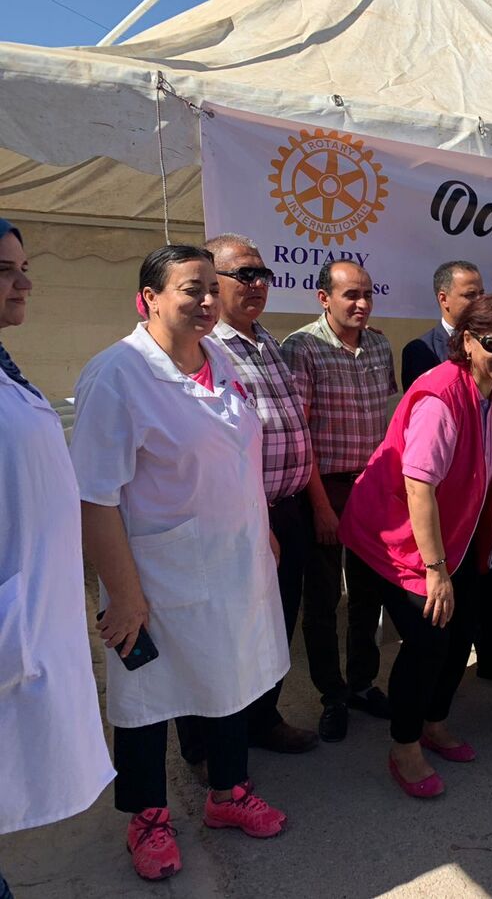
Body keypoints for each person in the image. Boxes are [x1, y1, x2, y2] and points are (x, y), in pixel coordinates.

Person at [72, 246, 289, 881]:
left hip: (233, 560)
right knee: (145, 698)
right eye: (192, 289)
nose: (208, 301)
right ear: (150, 298)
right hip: (155, 573)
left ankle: (228, 793)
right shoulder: (117, 374)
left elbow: (236, 458)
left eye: (212, 289)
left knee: (229, 678)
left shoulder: (219, 357)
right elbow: (94, 497)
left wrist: (263, 530)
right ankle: (147, 818)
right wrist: (125, 595)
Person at [339, 295, 492, 797]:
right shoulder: (440, 397)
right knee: (428, 640)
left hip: (453, 535)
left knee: (462, 628)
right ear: (467, 341)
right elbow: (419, 486)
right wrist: (435, 570)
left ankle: (434, 721)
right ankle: (404, 746)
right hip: (395, 536)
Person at [0, 218, 114, 895]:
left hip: (28, 625)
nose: (24, 284)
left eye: (24, 268)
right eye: (4, 271)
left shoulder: (7, 371)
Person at [202, 233, 317, 753]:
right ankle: (209, 745)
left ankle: (263, 719)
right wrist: (257, 520)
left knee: (276, 622)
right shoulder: (206, 347)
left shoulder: (267, 341)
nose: (256, 284)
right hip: (243, 514)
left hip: (288, 508)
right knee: (230, 631)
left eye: (262, 275)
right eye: (243, 274)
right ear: (212, 283)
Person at [400, 260, 492, 688]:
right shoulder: (430, 368)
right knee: (437, 629)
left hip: (490, 495)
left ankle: (488, 660)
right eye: (470, 294)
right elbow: (422, 478)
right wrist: (436, 568)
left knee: (489, 586)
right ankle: (420, 716)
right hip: (439, 511)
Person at [281, 260, 397, 742]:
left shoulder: (380, 345)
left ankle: (362, 683)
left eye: (367, 294)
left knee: (369, 593)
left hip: (372, 489)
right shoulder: (302, 348)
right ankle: (332, 693)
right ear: (324, 298)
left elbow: (387, 417)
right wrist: (322, 507)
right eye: (351, 294)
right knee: (324, 598)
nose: (362, 303)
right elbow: (299, 434)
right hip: (323, 488)